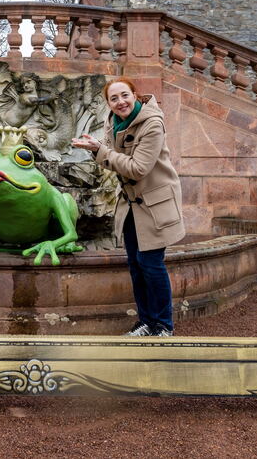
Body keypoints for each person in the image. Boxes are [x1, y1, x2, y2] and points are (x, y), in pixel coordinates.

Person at [72, 78, 184, 337]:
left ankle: (163, 325)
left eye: (125, 95)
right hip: (132, 204)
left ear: (135, 95)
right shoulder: (112, 121)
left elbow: (138, 168)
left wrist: (100, 151)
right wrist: (96, 149)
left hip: (155, 204)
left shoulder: (152, 124)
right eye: (114, 98)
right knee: (135, 263)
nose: (120, 102)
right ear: (108, 103)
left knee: (151, 264)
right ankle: (146, 322)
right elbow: (112, 158)